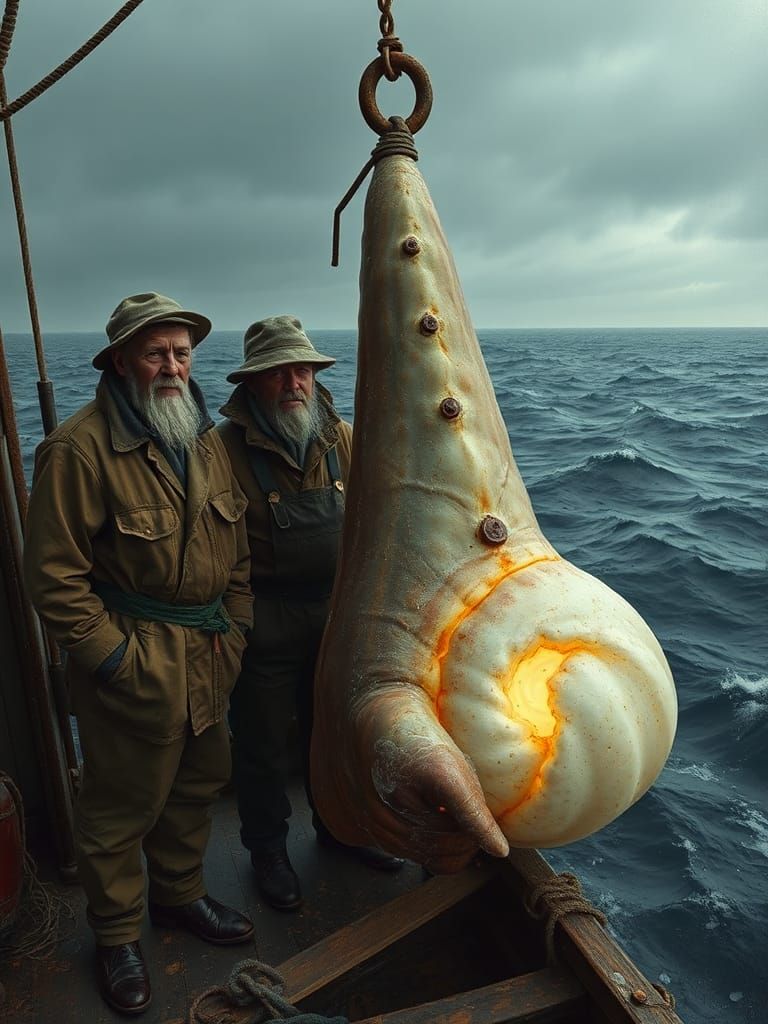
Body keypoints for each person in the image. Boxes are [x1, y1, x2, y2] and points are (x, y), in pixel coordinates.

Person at [23, 293, 255, 1016]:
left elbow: (236, 556)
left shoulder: (207, 439)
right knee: (119, 809)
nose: (172, 367)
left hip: (210, 650)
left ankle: (181, 898)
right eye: (156, 353)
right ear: (121, 361)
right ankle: (118, 936)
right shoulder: (78, 449)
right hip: (136, 657)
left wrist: (238, 630)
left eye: (182, 353)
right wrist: (116, 661)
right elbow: (52, 579)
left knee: (197, 783)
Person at [218, 315, 404, 912]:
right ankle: (268, 849)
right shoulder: (221, 451)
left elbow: (381, 517)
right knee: (263, 741)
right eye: (278, 372)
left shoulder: (344, 439)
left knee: (336, 732)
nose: (293, 382)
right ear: (253, 383)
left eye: (302, 369)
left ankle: (340, 829)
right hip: (263, 621)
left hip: (337, 612)